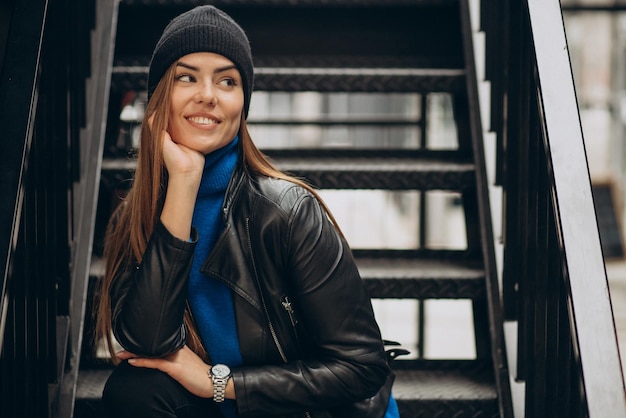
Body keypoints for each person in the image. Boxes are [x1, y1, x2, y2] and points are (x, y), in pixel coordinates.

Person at [95, 5, 399, 418]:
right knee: (132, 392)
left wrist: (217, 382)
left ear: (242, 104)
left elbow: (361, 367)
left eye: (227, 81)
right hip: (226, 408)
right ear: (160, 97)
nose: (208, 94)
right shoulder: (134, 217)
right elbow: (147, 344)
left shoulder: (287, 212)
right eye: (187, 77)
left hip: (307, 408)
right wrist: (183, 181)